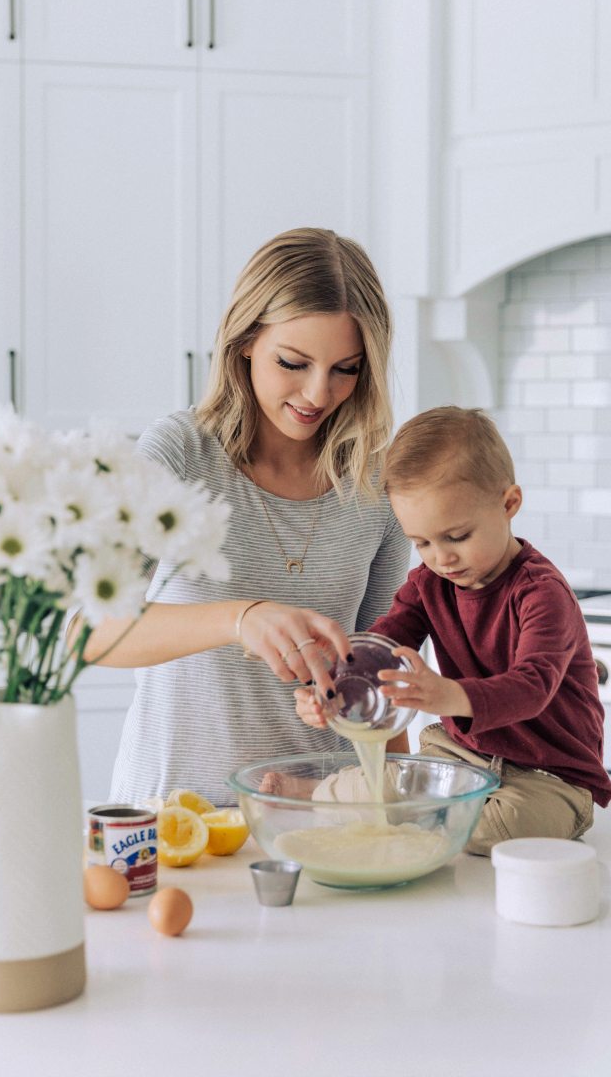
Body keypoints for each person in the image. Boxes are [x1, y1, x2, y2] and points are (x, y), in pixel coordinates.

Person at [83, 227, 411, 807]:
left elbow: (379, 683)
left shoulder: (376, 484)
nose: (318, 392)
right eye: (293, 362)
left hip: (319, 814)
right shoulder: (182, 453)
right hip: (177, 818)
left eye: (347, 369)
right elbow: (90, 629)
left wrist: (400, 807)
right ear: (244, 342)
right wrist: (241, 618)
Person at [294, 405, 611, 856]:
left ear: (508, 504)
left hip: (550, 776)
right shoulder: (429, 584)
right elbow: (384, 645)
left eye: (457, 536)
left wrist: (449, 696)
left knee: (500, 829)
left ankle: (405, 815)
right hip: (461, 757)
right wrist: (329, 686)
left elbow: (532, 687)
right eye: (421, 542)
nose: (440, 558)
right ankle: (312, 794)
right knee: (388, 783)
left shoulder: (542, 594)